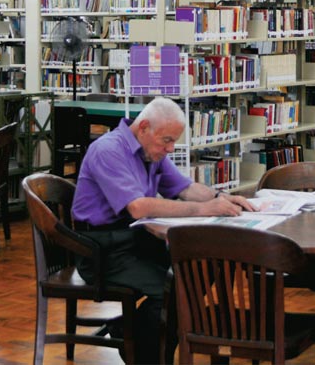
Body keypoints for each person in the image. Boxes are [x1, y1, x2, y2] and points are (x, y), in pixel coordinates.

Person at [72, 97, 256, 364]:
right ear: (144, 127)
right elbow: (138, 207)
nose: (170, 149)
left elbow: (184, 188)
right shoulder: (108, 150)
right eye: (167, 140)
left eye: (173, 141)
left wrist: (222, 197)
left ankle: (131, 331)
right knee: (173, 291)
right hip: (102, 249)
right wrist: (204, 210)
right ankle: (149, 355)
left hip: (136, 239)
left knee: (200, 268)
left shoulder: (151, 150)